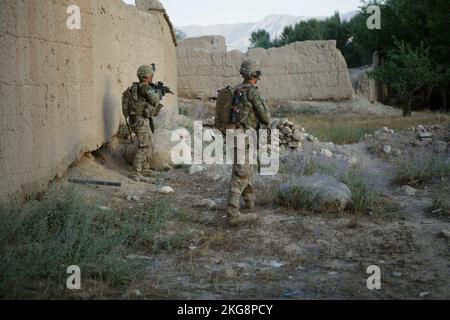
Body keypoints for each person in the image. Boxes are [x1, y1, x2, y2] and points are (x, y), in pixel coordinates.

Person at [227, 60, 271, 226]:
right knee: (241, 173)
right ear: (255, 75)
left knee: (245, 168)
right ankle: (232, 214)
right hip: (244, 135)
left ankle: (249, 201)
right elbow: (265, 117)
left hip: (233, 134)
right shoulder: (252, 92)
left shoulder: (234, 90)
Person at [123, 64, 164, 182]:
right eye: (151, 75)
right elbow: (155, 100)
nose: (152, 76)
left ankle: (144, 168)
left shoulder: (136, 87)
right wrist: (160, 93)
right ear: (145, 77)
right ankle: (135, 172)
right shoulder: (145, 87)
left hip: (139, 119)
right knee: (145, 146)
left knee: (148, 142)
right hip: (140, 120)